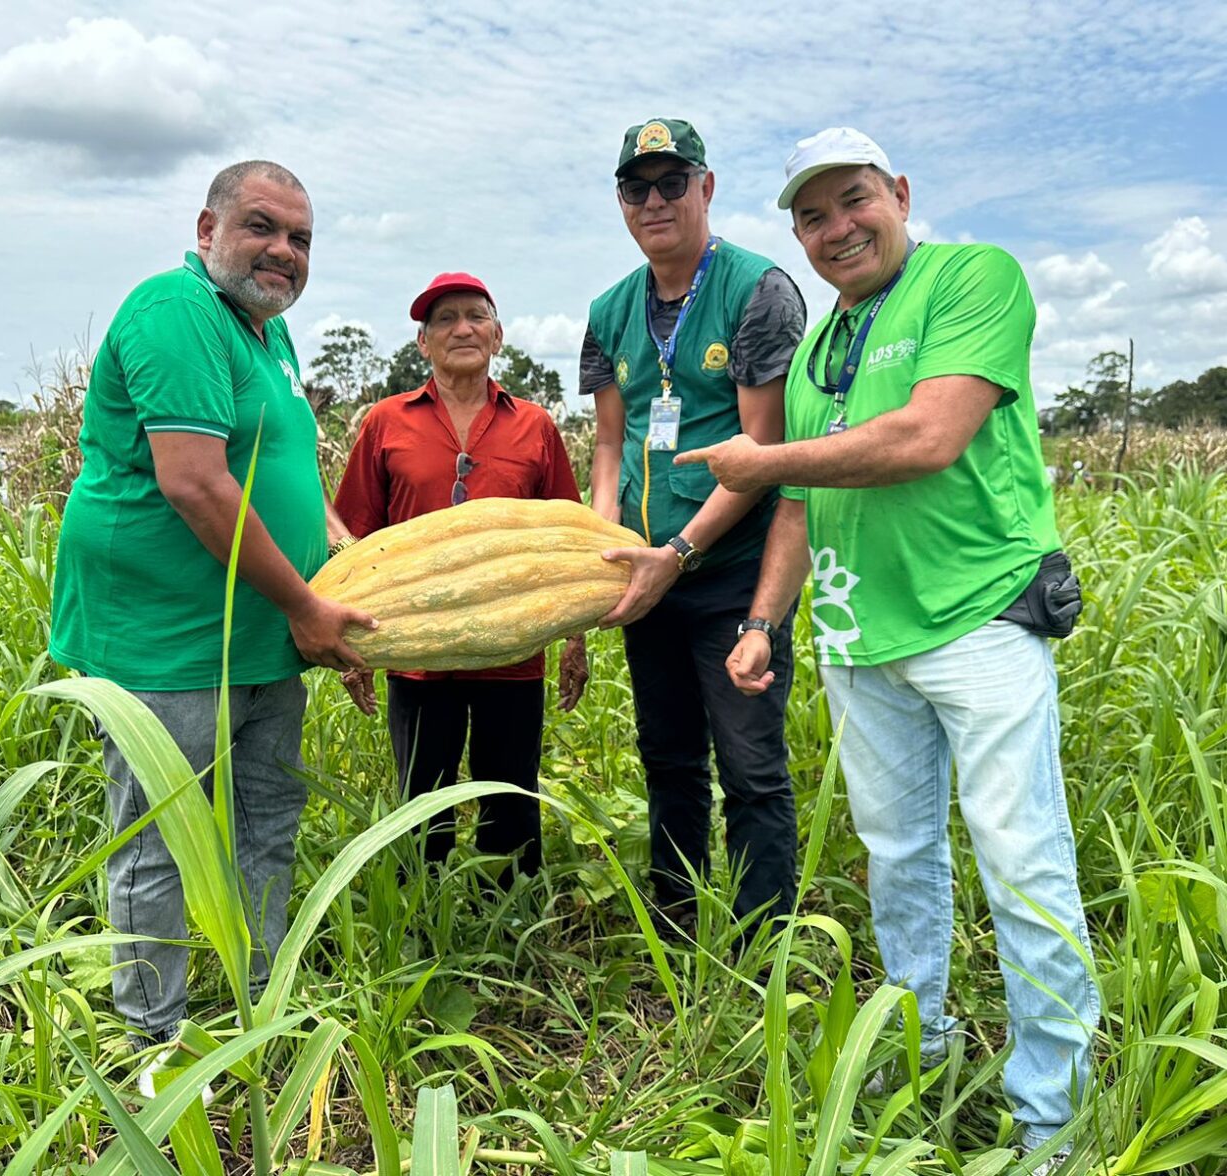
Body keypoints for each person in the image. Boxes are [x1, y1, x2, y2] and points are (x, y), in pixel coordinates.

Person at [678, 127, 1098, 1160]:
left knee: (1020, 861)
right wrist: (760, 623)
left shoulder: (972, 279)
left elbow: (927, 436)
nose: (835, 229)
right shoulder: (822, 345)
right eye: (810, 217)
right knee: (896, 858)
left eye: (852, 200)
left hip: (979, 619)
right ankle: (923, 1052)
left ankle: (1052, 1119)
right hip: (859, 639)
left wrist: (764, 457)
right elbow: (797, 503)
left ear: (899, 193)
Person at [48, 160, 374, 1095]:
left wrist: (335, 557)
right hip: (167, 636)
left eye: (301, 239)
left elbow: (280, 473)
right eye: (263, 227)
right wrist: (309, 605)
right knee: (159, 836)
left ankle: (260, 999)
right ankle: (154, 1041)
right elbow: (196, 483)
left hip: (262, 630)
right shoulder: (175, 310)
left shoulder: (269, 334)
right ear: (207, 228)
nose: (283, 251)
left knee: (267, 820)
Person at [579, 118, 807, 940]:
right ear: (621, 202)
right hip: (647, 579)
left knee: (749, 767)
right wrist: (599, 553)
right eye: (636, 188)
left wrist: (679, 553)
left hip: (731, 576)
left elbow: (765, 451)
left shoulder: (757, 291)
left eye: (673, 183)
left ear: (706, 188)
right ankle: (675, 926)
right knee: (668, 759)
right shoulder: (610, 311)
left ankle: (762, 946)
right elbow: (611, 444)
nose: (655, 201)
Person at [333, 272, 589, 881]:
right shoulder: (385, 423)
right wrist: (351, 643)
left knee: (512, 797)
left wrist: (575, 640)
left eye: (476, 316)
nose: (462, 329)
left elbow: (571, 541)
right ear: (423, 344)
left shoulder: (536, 426)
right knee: (423, 802)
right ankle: (424, 925)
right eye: (443, 320)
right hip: (417, 652)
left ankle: (511, 919)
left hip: (515, 650)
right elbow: (352, 535)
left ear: (498, 336)